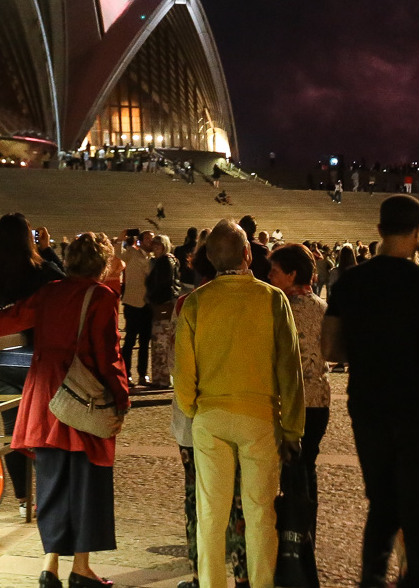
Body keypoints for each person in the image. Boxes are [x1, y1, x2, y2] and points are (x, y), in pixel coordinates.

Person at [0, 233, 130, 588]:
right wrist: (121, 397)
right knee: (85, 482)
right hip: (82, 397)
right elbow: (107, 354)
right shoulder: (101, 297)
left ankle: (49, 566)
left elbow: (12, 317)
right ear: (102, 264)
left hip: (45, 396)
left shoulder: (50, 291)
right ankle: (81, 568)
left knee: (51, 483)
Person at [322, 196, 419, 588]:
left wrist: (365, 351)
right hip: (416, 409)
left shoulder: (351, 281)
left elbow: (329, 348)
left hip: (368, 406)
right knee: (418, 520)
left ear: (378, 230)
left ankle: (373, 581)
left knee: (381, 508)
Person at [175, 221, 305, 588]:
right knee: (261, 513)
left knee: (211, 514)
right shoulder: (272, 299)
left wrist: (193, 408)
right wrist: (292, 428)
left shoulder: (196, 302)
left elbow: (183, 372)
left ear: (211, 259)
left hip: (210, 415)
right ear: (248, 254)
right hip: (259, 416)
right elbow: (289, 370)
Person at [0, 213, 65, 508]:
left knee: (14, 434)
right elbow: (64, 284)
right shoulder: (40, 271)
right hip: (34, 360)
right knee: (40, 430)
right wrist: (47, 250)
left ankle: (23, 498)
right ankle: (47, 497)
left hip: (2, 361)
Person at [269, 242, 329, 586]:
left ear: (291, 274)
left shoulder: (280, 308)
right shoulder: (322, 305)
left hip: (289, 404)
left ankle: (293, 557)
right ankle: (305, 545)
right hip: (319, 403)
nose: (269, 276)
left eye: (274, 270)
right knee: (307, 476)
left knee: (289, 479)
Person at [119, 230, 153, 386]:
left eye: (152, 239)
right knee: (130, 340)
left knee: (145, 342)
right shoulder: (132, 253)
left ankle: (143, 374)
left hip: (148, 304)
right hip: (133, 302)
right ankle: (126, 374)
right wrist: (121, 238)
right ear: (140, 241)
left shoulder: (154, 258)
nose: (150, 241)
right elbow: (118, 254)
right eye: (147, 238)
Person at [146, 239, 180, 389]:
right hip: (169, 303)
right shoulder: (172, 259)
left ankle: (161, 378)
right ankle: (166, 377)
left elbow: (160, 283)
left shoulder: (162, 262)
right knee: (167, 343)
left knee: (160, 343)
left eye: (158, 245)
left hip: (161, 303)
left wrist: (151, 296)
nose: (155, 248)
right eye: (154, 245)